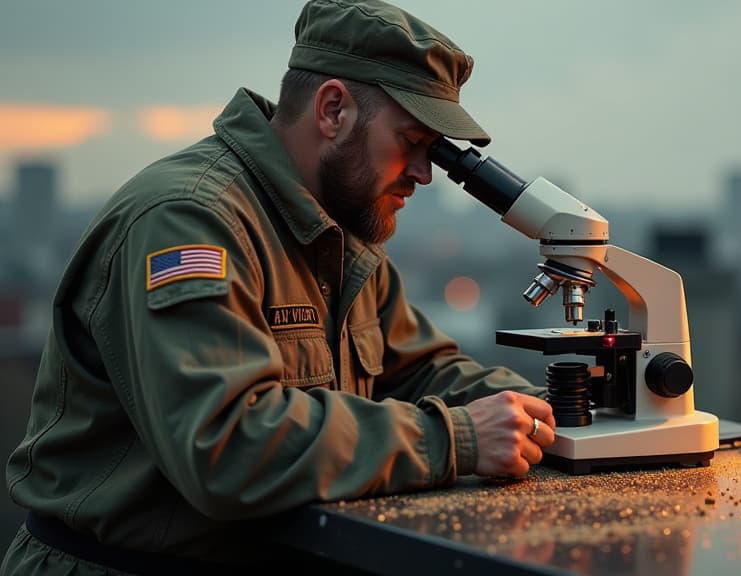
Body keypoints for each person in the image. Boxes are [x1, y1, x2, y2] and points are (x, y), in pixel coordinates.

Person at [1, 0, 556, 573]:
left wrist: (549, 413)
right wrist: (453, 439)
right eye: (412, 141)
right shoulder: (190, 221)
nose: (422, 173)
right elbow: (226, 447)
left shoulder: (340, 233)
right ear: (333, 110)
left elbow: (419, 369)